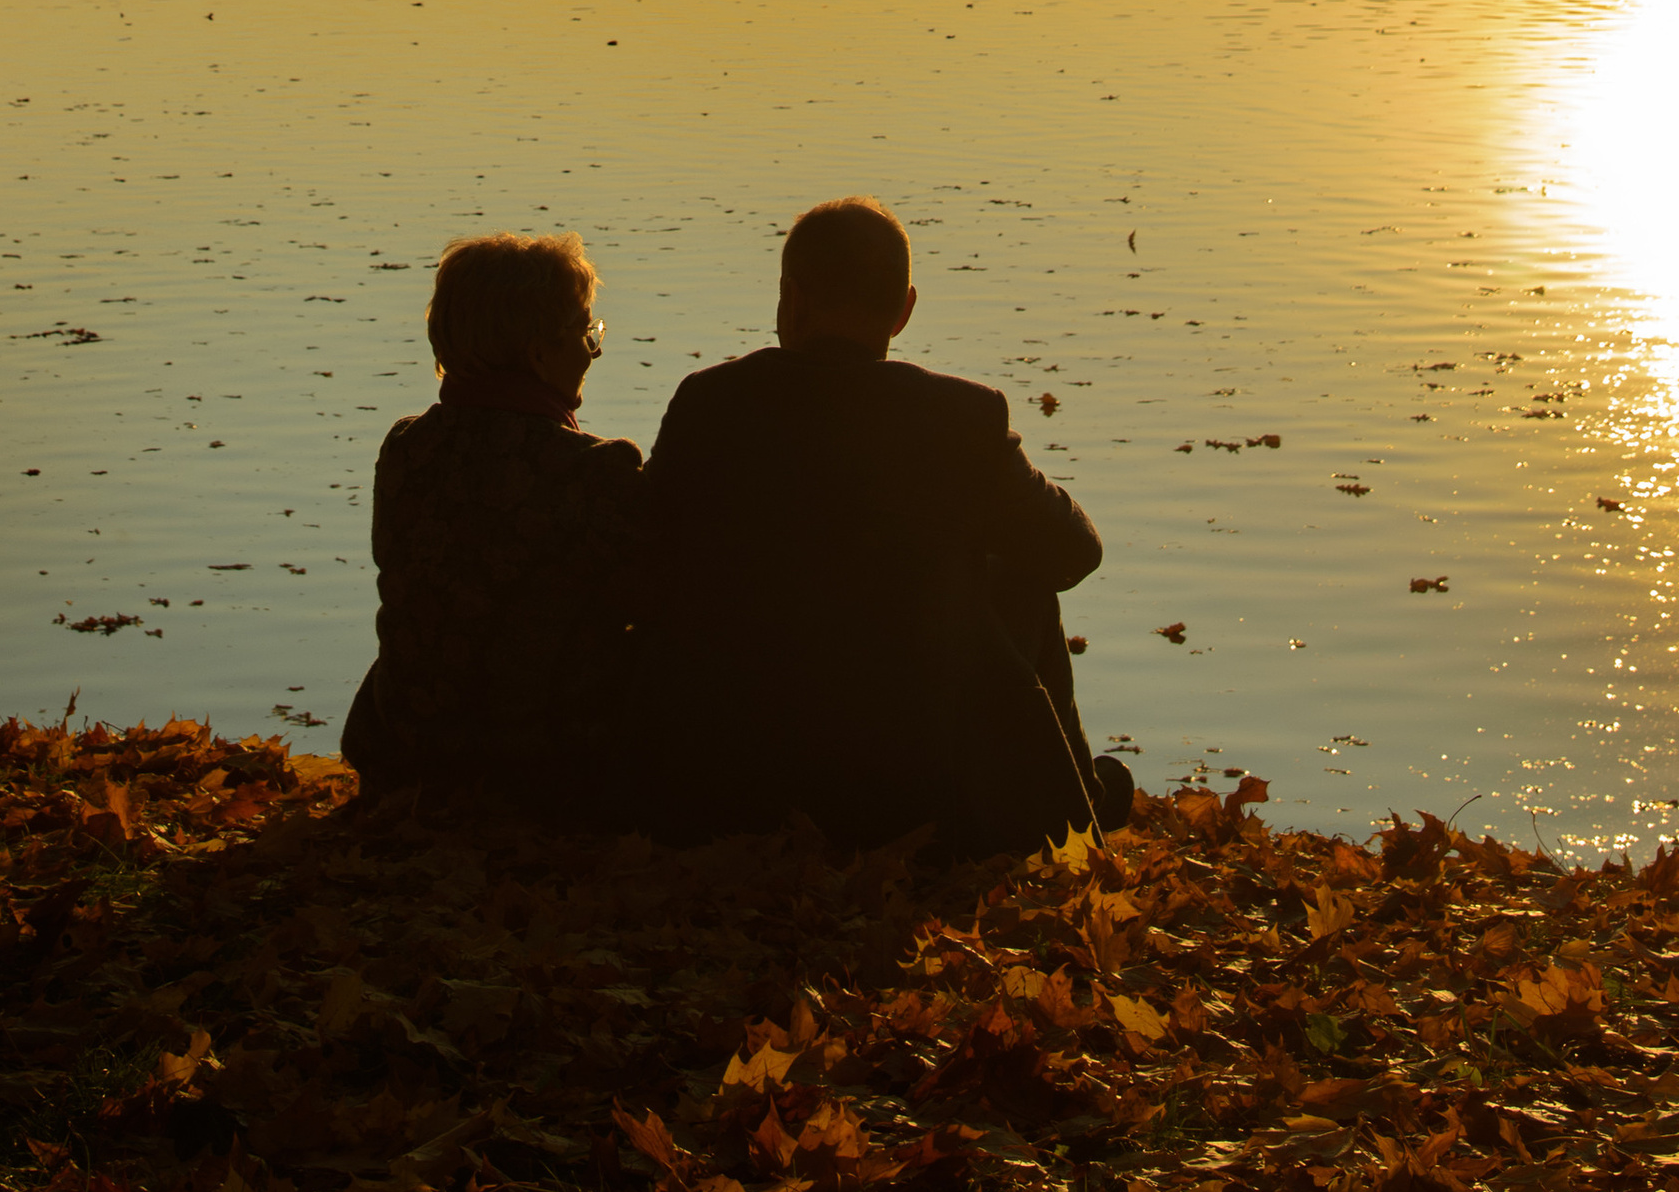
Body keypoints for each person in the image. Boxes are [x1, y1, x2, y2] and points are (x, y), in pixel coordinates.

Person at [635, 195, 1128, 853]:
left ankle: (1073, 798)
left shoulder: (709, 403)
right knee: (1023, 573)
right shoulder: (957, 419)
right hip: (909, 793)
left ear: (793, 298)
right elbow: (1075, 551)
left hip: (729, 778)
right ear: (903, 310)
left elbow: (644, 554)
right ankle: (1073, 806)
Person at [340, 227, 644, 816]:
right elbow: (659, 604)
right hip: (543, 773)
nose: (592, 351)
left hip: (405, 757)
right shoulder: (594, 471)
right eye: (586, 332)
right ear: (538, 352)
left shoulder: (407, 448)